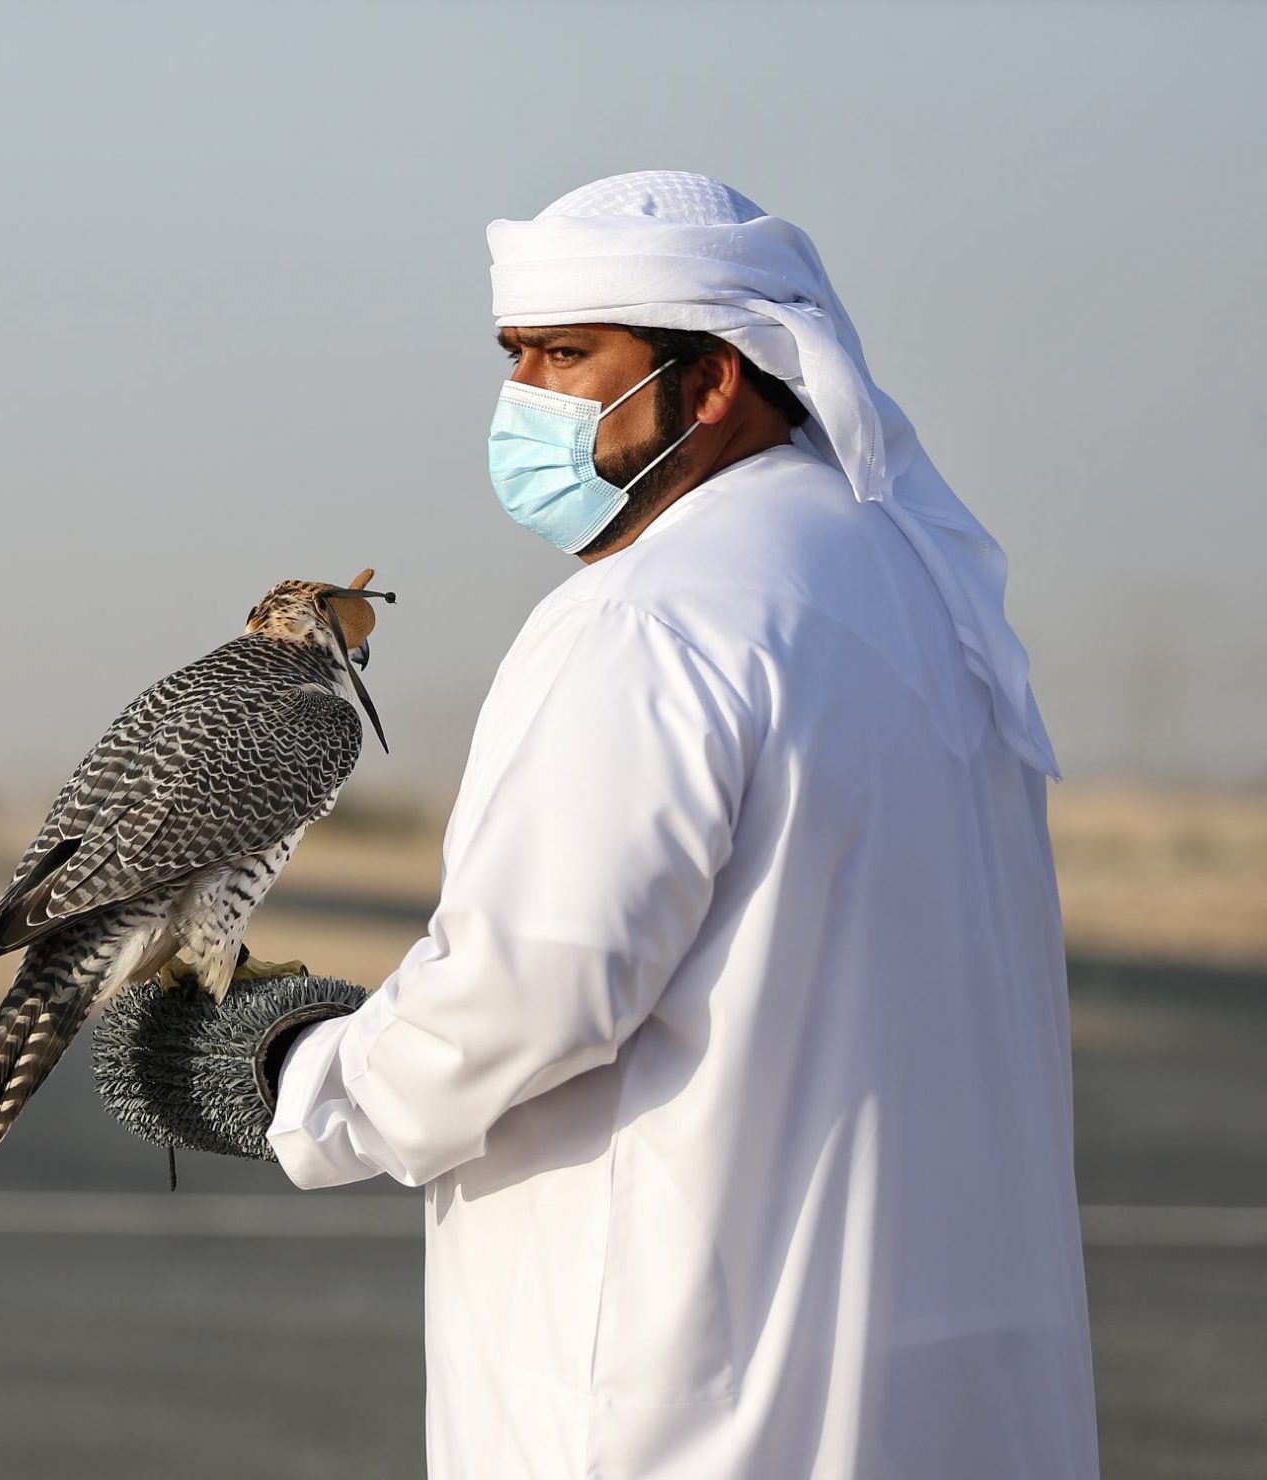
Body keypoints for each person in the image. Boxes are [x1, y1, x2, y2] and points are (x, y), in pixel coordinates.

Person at [92, 172, 1098, 1476]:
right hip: (950, 1394)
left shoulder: (652, 618)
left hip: (686, 1402)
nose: (526, 400)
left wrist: (290, 1074)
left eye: (568, 357)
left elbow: (536, 990)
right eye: (514, 356)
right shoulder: (916, 594)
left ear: (715, 378)